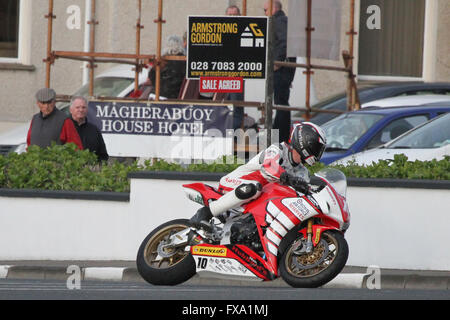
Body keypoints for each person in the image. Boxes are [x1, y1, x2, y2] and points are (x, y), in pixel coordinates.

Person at [190, 122, 327, 229]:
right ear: (305, 142)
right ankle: (206, 212)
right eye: (316, 148)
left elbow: (303, 190)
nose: (317, 153)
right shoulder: (278, 149)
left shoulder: (302, 172)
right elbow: (269, 167)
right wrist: (290, 179)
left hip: (257, 199)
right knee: (254, 187)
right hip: (237, 182)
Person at [264, 0, 296, 143]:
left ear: (273, 8)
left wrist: (277, 63)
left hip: (281, 69)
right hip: (285, 68)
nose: (264, 13)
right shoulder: (283, 21)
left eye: (265, 10)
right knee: (280, 102)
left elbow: (284, 43)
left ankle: (280, 138)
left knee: (280, 103)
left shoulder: (279, 21)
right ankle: (279, 137)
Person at [69, 96, 109, 162]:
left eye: (83, 107)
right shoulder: (64, 127)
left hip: (90, 170)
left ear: (87, 110)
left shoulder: (94, 130)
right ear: (71, 110)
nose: (81, 110)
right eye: (77, 107)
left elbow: (103, 155)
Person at [225, 5, 245, 130]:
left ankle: (233, 134)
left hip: (237, 75)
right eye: (230, 15)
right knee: (221, 106)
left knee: (237, 106)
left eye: (235, 15)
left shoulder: (242, 30)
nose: (232, 18)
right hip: (221, 75)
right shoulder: (221, 31)